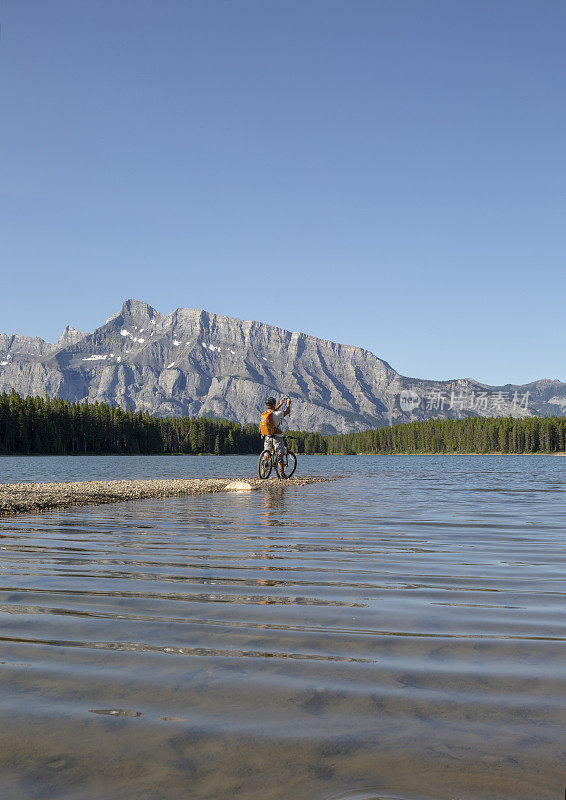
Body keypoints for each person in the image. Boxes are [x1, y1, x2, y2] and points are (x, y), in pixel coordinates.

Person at [261, 396, 291, 475]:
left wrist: (280, 404)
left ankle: (263, 470)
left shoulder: (266, 413)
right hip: (277, 437)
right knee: (279, 455)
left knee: (266, 453)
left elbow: (273, 410)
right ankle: (282, 474)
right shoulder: (279, 414)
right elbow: (287, 411)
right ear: (274, 404)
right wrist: (288, 404)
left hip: (268, 436)